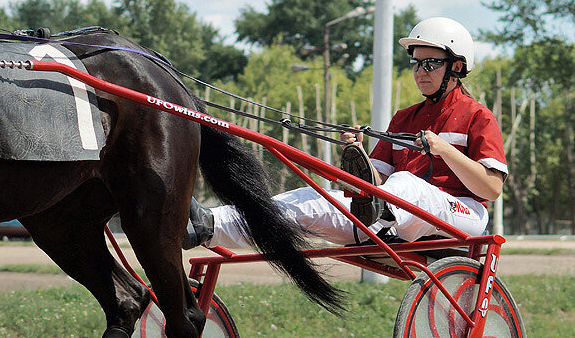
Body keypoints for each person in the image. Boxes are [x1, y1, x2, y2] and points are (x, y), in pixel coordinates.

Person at [185, 17, 508, 249]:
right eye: (415, 63)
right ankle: (209, 225)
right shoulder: (404, 118)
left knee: (409, 186)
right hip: (395, 217)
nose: (419, 72)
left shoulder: (477, 116)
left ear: (457, 67)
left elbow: (492, 189)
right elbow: (375, 185)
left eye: (430, 64)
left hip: (461, 216)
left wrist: (445, 151)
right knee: (310, 199)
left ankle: (380, 215)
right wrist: (358, 157)